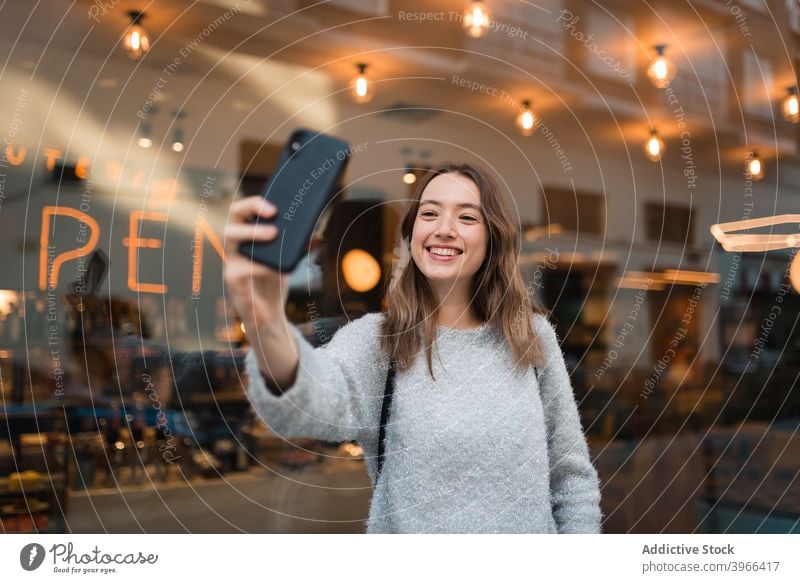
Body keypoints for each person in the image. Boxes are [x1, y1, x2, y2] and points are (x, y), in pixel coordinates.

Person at [223, 162, 602, 533]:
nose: (444, 229)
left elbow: (570, 477)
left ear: (493, 238)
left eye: (467, 218)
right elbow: (305, 404)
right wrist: (265, 318)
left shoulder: (531, 337)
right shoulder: (378, 341)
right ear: (411, 233)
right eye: (430, 213)